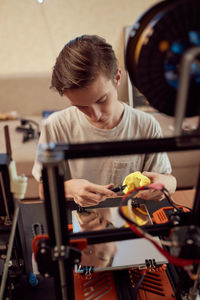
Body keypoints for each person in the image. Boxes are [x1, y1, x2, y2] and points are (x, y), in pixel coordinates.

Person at [32, 34, 176, 206]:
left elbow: (169, 180)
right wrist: (69, 189)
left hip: (131, 219)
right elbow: (43, 190)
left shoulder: (145, 125)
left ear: (117, 78)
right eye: (81, 106)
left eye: (101, 100)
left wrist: (167, 185)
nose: (96, 115)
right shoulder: (55, 126)